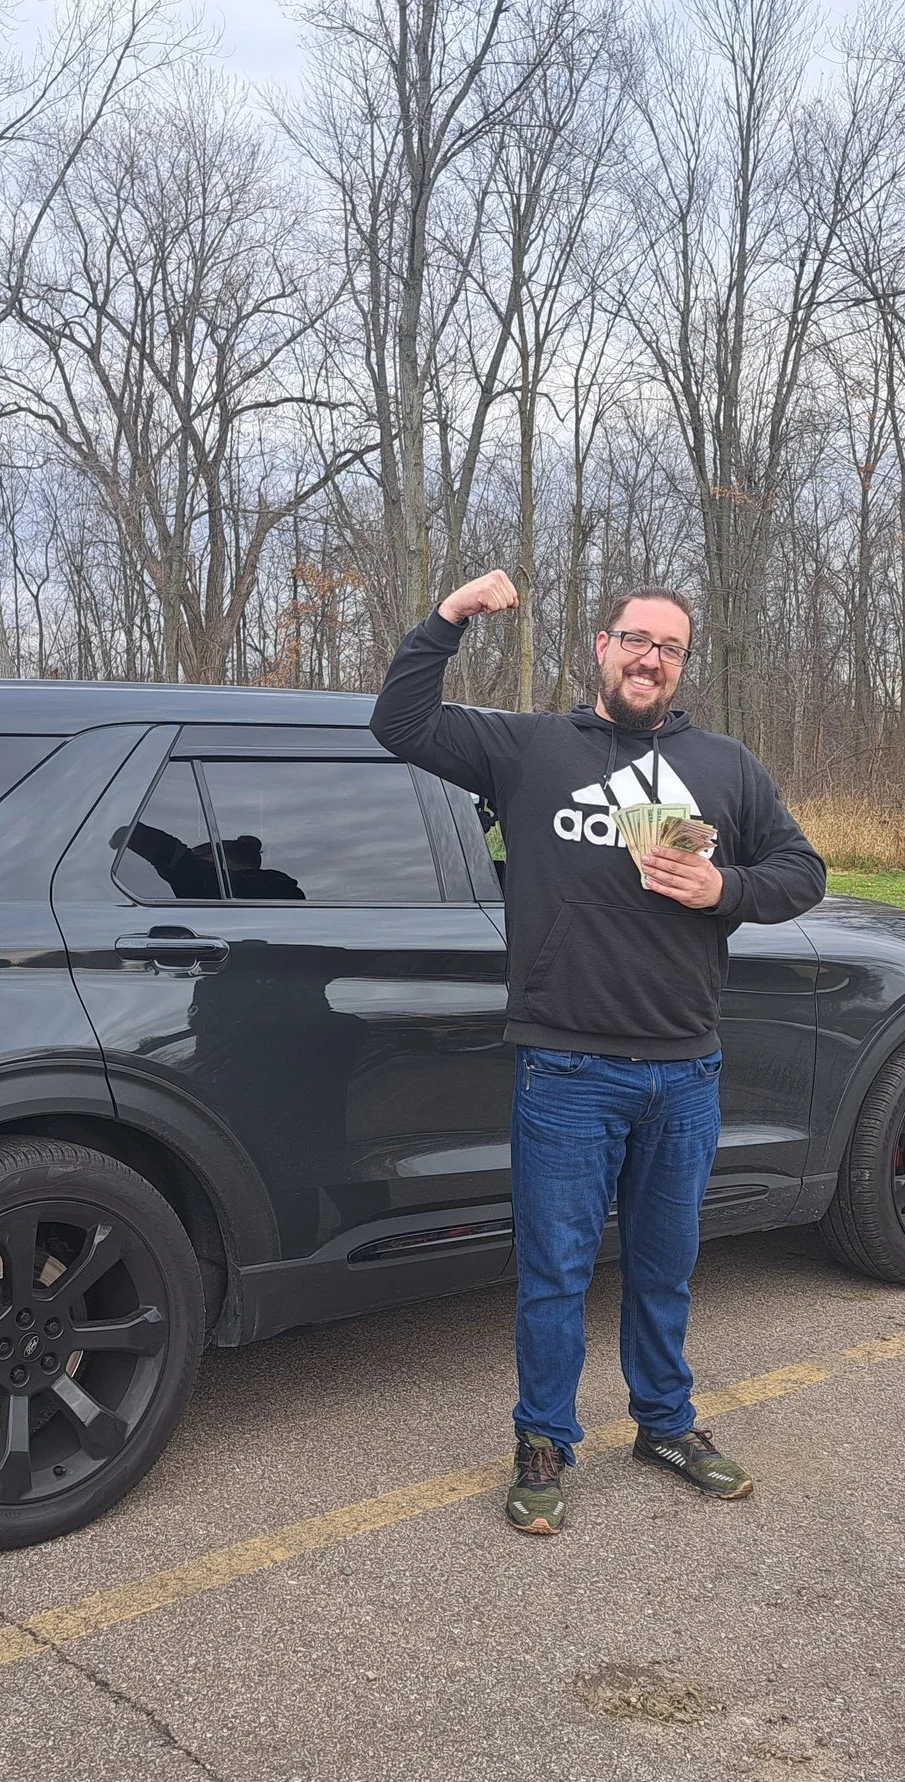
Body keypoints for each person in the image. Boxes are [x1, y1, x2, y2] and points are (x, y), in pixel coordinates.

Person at [372, 570, 826, 1535]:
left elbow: (803, 872)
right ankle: (543, 1439)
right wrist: (450, 618)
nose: (650, 659)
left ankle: (665, 1423)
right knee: (556, 1274)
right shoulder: (532, 750)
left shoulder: (727, 765)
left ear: (680, 664)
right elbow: (402, 723)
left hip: (685, 1070)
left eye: (670, 648)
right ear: (602, 646)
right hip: (567, 1071)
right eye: (636, 640)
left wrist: (723, 891)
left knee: (665, 1266)